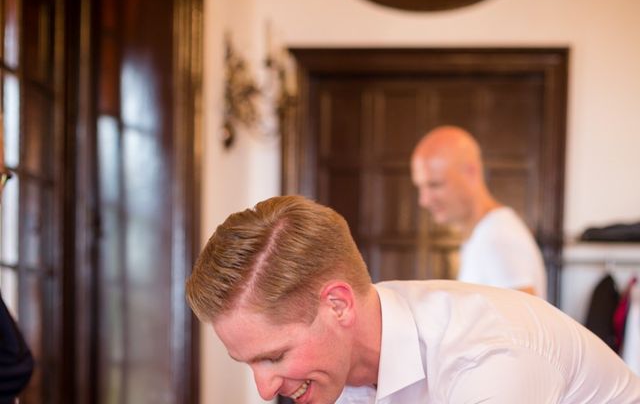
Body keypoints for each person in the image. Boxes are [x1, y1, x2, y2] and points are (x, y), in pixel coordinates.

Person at [186, 195, 640, 404]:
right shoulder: (338, 371)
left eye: (274, 356)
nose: (265, 392)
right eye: (248, 363)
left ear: (338, 305)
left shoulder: (489, 359)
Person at [411, 125, 547, 298]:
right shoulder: (484, 233)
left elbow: (524, 322)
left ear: (471, 172)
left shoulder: (497, 236)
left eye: (435, 185)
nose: (423, 200)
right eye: (420, 187)